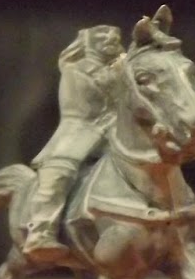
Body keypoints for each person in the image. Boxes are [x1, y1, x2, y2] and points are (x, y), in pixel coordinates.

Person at [22, 24, 125, 262]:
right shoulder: (75, 69)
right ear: (87, 42)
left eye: (114, 36)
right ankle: (40, 232)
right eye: (103, 35)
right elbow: (81, 109)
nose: (111, 38)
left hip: (118, 135)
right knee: (58, 176)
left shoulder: (123, 70)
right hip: (80, 132)